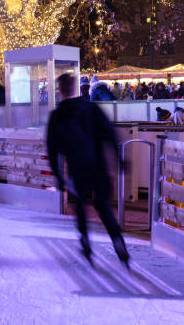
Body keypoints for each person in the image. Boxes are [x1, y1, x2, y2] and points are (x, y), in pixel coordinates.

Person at [47, 73, 129, 268]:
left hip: (77, 168)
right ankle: (118, 241)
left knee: (80, 205)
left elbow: (52, 149)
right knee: (103, 206)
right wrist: (119, 159)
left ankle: (85, 242)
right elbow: (109, 133)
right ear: (76, 87)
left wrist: (58, 175)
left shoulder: (57, 115)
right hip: (98, 165)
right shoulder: (91, 109)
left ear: (60, 90)